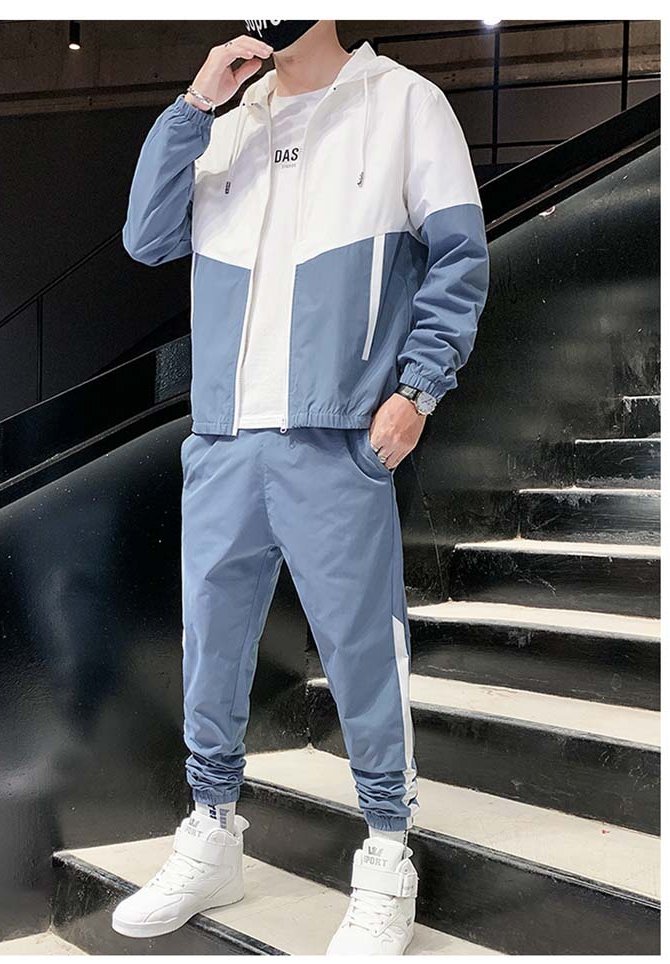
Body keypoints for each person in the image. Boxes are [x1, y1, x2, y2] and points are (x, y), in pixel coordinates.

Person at [112, 19, 489, 956]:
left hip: (336, 437)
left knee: (363, 651)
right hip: (225, 437)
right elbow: (146, 238)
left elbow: (460, 256)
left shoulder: (404, 104)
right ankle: (211, 830)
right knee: (210, 645)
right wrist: (196, 103)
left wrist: (418, 391)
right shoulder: (229, 122)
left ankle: (388, 852)